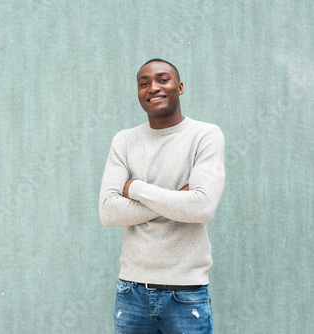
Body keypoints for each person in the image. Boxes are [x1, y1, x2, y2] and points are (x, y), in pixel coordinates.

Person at [99, 58, 225, 333]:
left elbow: (202, 207)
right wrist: (177, 199)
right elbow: (109, 211)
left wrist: (135, 189)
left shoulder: (205, 135)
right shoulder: (125, 140)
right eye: (144, 83)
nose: (153, 87)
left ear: (180, 87)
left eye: (163, 79)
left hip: (185, 293)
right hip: (130, 291)